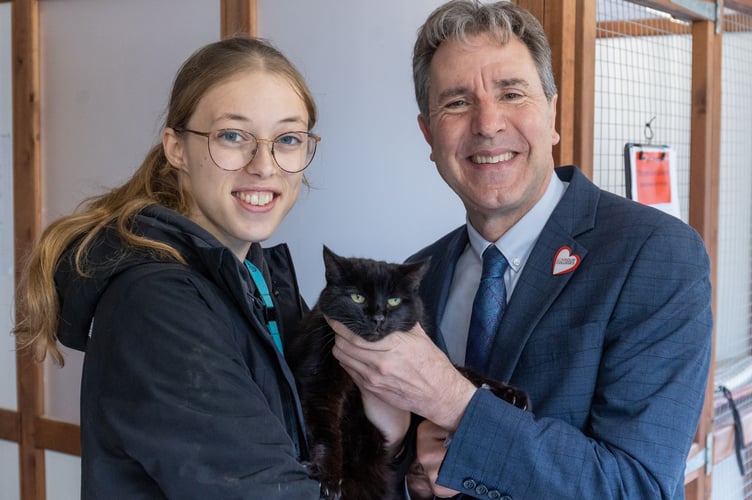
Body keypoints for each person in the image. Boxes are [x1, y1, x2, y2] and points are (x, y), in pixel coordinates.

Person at [330, 1, 713, 499]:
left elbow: (640, 487)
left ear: (552, 112)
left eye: (512, 93)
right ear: (428, 133)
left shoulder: (655, 254)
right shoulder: (420, 276)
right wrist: (403, 461)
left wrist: (454, 401)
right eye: (457, 102)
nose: (488, 124)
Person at [14, 36, 347, 499]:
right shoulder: (157, 304)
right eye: (233, 136)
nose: (264, 166)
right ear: (176, 148)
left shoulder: (251, 276)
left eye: (287, 139)